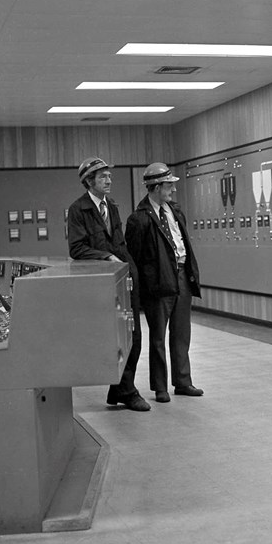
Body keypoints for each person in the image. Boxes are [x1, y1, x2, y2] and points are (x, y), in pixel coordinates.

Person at [67, 156, 150, 412]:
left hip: (124, 277)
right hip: (100, 283)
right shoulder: (77, 210)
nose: (109, 179)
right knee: (115, 339)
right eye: (103, 176)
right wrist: (106, 257)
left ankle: (125, 390)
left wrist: (130, 268)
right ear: (89, 181)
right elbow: (77, 247)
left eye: (109, 176)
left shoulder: (111, 207)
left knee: (133, 336)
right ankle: (123, 390)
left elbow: (119, 244)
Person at [125, 162, 203, 403]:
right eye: (169, 185)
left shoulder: (176, 211)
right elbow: (134, 258)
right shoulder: (138, 219)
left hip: (181, 277)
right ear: (156, 187)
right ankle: (160, 387)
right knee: (158, 337)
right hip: (157, 284)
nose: (172, 190)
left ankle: (183, 381)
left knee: (181, 333)